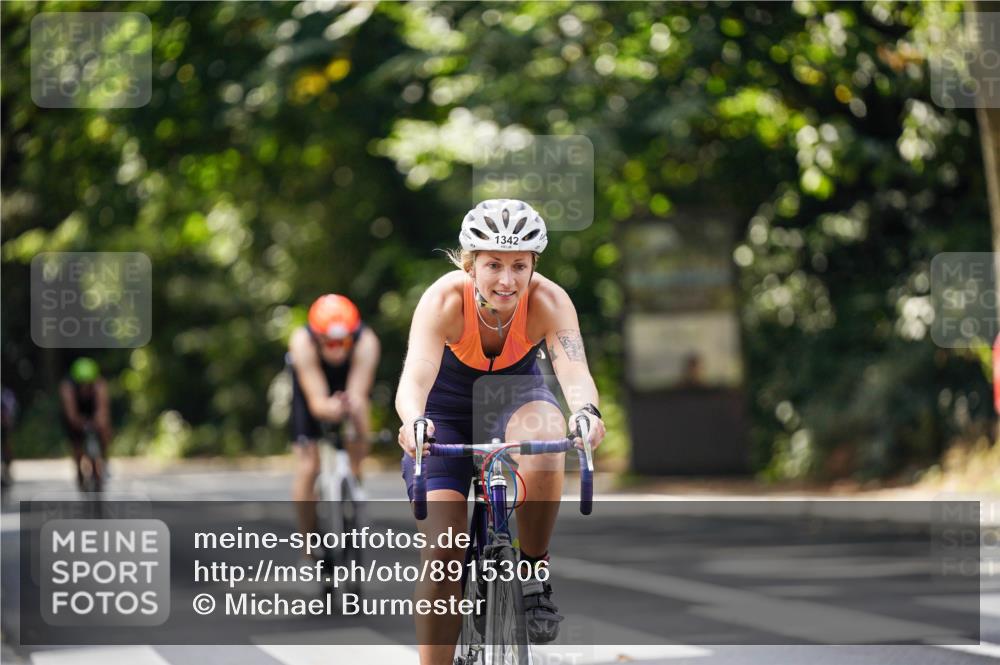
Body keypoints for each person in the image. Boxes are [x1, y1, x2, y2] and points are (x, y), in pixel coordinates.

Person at [396, 199, 607, 664]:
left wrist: (586, 412)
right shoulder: (444, 299)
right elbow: (415, 376)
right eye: (493, 265)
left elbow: (574, 373)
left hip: (514, 400)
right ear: (470, 264)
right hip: (443, 414)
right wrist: (414, 421)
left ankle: (532, 569)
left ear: (534, 265)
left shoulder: (549, 301)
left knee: (550, 437)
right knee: (443, 556)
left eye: (519, 265)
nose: (507, 280)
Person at [287, 294, 380, 556]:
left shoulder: (367, 342)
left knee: (360, 414)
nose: (337, 349)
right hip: (313, 387)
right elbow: (317, 403)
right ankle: (308, 541)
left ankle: (355, 482)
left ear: (353, 335)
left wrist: (351, 410)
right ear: (317, 338)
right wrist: (330, 408)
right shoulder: (302, 342)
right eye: (329, 342)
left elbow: (358, 395)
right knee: (308, 464)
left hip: (349, 385)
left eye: (343, 342)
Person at [59, 357, 112, 490]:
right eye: (81, 384)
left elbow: (102, 408)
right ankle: (79, 470)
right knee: (77, 444)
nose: (85, 387)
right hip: (76, 413)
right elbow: (71, 413)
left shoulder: (99, 385)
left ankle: (104, 460)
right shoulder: (67, 387)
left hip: (92, 411)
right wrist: (78, 422)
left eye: (88, 384)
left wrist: (99, 421)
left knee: (104, 429)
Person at [1, 386, 17, 489]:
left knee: (6, 449)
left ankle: (6, 473)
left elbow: (9, 412)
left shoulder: (6, 394)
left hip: (4, 428)